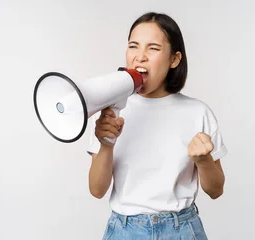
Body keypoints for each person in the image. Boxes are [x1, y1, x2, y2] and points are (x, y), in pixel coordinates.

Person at [86, 12, 228, 240]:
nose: (140, 57)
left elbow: (216, 190)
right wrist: (106, 145)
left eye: (153, 48)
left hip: (181, 230)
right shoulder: (109, 111)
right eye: (133, 46)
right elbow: (96, 190)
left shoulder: (198, 112)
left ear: (174, 59)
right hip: (124, 231)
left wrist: (203, 160)